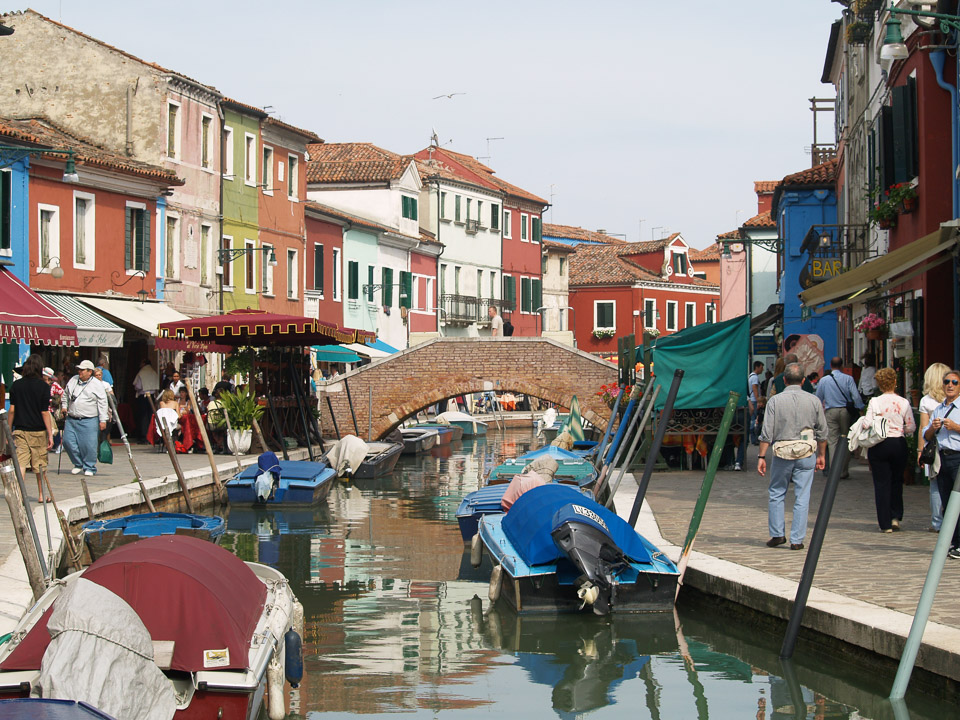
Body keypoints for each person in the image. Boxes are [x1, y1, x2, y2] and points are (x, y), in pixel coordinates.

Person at [757, 362, 828, 550]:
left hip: (783, 452)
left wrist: (761, 457)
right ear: (803, 380)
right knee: (803, 495)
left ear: (785, 380)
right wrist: (821, 454)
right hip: (806, 451)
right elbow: (822, 430)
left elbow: (767, 432)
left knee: (777, 493)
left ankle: (777, 534)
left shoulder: (775, 401)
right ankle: (797, 539)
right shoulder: (813, 401)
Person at [864, 368, 916, 533]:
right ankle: (895, 516)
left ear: (879, 384)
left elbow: (866, 423)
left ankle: (885, 523)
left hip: (880, 444)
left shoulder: (875, 402)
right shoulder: (903, 402)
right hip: (898, 443)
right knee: (896, 481)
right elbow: (911, 427)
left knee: (881, 483)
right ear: (895, 382)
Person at [922, 368, 960, 558]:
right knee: (945, 500)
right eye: (947, 382)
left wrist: (955, 427)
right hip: (941, 458)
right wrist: (932, 429)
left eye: (954, 382)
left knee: (958, 502)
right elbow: (926, 434)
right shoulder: (939, 408)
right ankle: (953, 542)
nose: (950, 386)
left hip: (958, 457)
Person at [8, 354, 55, 502]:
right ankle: (41, 495)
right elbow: (44, 412)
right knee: (39, 464)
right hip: (38, 431)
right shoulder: (43, 386)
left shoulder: (17, 385)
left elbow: (12, 410)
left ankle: (20, 495)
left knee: (21, 463)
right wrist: (50, 434)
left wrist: (8, 430)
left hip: (20, 429)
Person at [816, 356, 864, 479]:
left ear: (830, 366)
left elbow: (818, 398)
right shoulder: (848, 379)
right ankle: (843, 469)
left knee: (832, 442)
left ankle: (834, 471)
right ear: (842, 366)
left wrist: (819, 414)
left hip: (830, 411)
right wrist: (860, 408)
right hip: (845, 411)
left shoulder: (824, 380)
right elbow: (856, 396)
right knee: (847, 440)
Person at [918, 362, 951, 532]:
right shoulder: (952, 400)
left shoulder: (926, 401)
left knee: (936, 486)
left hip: (934, 448)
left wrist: (920, 450)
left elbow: (923, 429)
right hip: (952, 446)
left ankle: (938, 522)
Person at [61, 359, 108, 477]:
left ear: (89, 372)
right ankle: (78, 463)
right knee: (67, 441)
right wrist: (64, 406)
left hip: (89, 419)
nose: (80, 372)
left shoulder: (97, 384)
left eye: (82, 370)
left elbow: (103, 402)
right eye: (79, 369)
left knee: (89, 445)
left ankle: (90, 466)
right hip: (72, 418)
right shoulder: (73, 380)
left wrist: (103, 420)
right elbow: (65, 394)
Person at [133, 358, 160, 440]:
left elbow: (138, 386)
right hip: (152, 396)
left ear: (144, 363)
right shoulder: (154, 372)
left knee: (143, 416)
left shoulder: (142, 372)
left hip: (143, 396)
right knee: (150, 415)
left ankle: (144, 435)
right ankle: (151, 435)